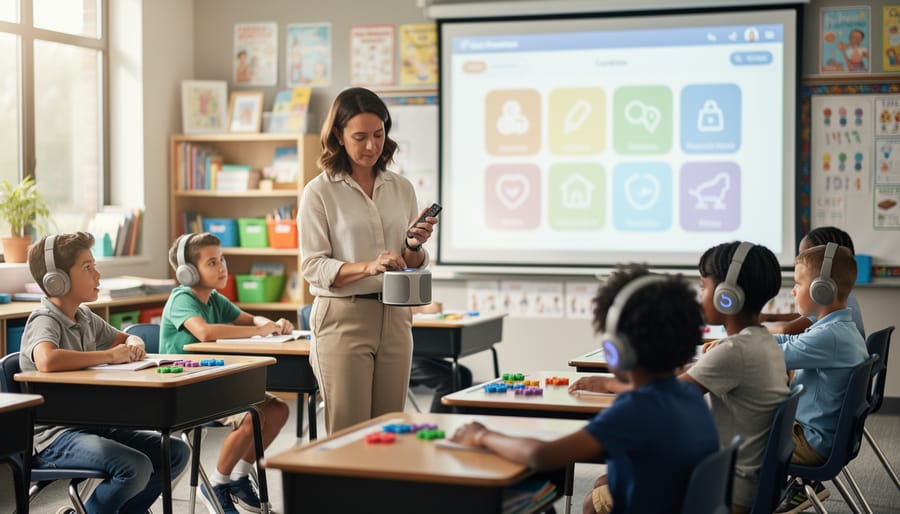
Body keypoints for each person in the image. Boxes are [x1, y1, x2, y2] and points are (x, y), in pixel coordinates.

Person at [452, 265, 719, 514]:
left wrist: (482, 435)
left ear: (616, 348)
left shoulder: (636, 410)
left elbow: (541, 456)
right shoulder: (686, 395)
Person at [299, 87, 438, 434]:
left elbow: (411, 262)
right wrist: (368, 266)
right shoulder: (319, 191)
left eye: (378, 135)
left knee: (390, 429)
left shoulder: (401, 187)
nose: (371, 146)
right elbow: (312, 266)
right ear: (338, 136)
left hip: (395, 317)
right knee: (348, 432)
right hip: (343, 318)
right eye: (359, 137)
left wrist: (413, 246)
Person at [20, 232, 190, 514]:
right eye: (87, 267)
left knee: (174, 452)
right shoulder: (44, 319)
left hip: (93, 424)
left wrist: (134, 343)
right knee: (134, 466)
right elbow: (47, 359)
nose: (97, 274)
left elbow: (124, 338)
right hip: (56, 437)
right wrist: (110, 356)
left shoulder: (84, 316)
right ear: (56, 280)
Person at [160, 232, 291, 514]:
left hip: (215, 384)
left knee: (277, 409)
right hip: (184, 390)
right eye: (211, 263)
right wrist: (258, 330)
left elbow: (247, 318)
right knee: (251, 415)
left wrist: (268, 322)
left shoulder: (215, 299)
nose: (222, 268)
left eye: (222, 260)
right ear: (188, 272)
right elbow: (204, 332)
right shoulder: (182, 298)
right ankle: (216, 485)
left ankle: (238, 477)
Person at [683, 241, 789, 514]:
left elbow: (668, 396)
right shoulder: (763, 341)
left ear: (726, 295)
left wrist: (611, 382)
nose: (700, 294)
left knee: (599, 496)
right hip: (752, 483)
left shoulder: (735, 351)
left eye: (703, 287)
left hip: (729, 491)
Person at [773, 243, 868, 513]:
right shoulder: (837, 329)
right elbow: (790, 340)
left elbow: (777, 355)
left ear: (821, 289)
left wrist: (736, 347)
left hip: (812, 443)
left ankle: (751, 501)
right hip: (828, 436)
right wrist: (748, 339)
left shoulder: (831, 337)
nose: (792, 290)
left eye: (798, 283)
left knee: (741, 437)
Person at [762, 226, 864, 337]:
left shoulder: (832, 300)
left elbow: (788, 329)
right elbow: (803, 319)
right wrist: (769, 317)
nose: (799, 261)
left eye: (806, 255)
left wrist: (754, 326)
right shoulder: (840, 297)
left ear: (825, 262)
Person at [409, 301, 474, 413]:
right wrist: (422, 309)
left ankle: (461, 423)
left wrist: (423, 308)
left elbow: (433, 306)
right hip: (392, 359)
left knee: (464, 374)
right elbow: (399, 310)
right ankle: (437, 425)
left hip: (412, 353)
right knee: (449, 379)